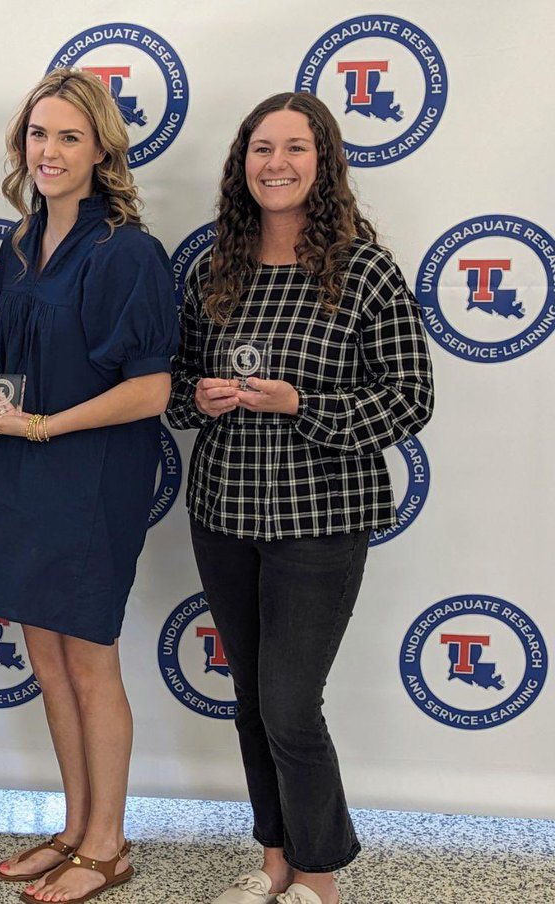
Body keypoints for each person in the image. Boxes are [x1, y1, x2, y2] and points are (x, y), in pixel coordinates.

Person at [166, 92, 434, 904]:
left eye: (293, 148)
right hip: (224, 516)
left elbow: (410, 396)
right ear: (240, 164)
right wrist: (200, 398)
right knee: (252, 702)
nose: (274, 164)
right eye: (260, 149)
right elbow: (173, 390)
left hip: (321, 522)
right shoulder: (218, 267)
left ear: (325, 163)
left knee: (288, 705)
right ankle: (275, 858)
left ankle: (319, 877)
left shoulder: (363, 269)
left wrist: (301, 405)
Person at [0, 69, 179, 904]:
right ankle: (76, 828)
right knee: (46, 654)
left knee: (89, 659)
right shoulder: (19, 241)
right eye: (39, 135)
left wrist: (40, 425)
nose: (50, 151)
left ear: (103, 148)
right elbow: (34, 363)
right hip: (23, 463)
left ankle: (109, 847)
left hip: (92, 472)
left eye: (70, 136)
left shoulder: (129, 251)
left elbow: (151, 390)